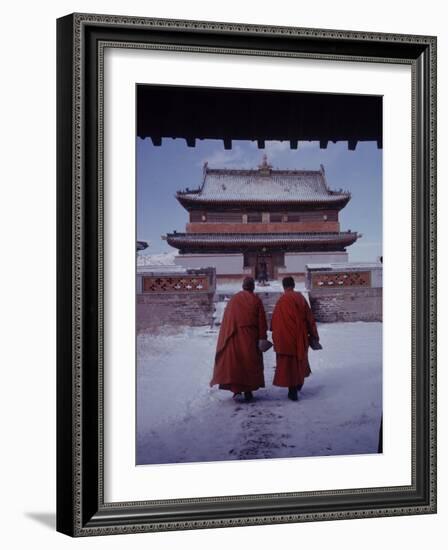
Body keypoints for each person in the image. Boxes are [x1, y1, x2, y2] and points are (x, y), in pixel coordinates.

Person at [210, 277, 268, 401]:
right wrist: (262, 337)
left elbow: (227, 319)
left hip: (234, 335)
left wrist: (226, 334)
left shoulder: (234, 300)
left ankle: (236, 390)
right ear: (252, 287)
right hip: (250, 336)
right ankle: (248, 391)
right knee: (249, 363)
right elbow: (262, 322)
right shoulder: (256, 300)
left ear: (243, 286)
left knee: (236, 363)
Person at [271, 276, 320, 401]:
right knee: (299, 361)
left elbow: (273, 323)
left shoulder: (281, 301)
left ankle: (292, 389)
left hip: (284, 337)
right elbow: (310, 319)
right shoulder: (300, 298)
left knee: (289, 364)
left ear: (284, 286)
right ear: (293, 285)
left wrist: (276, 337)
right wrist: (314, 336)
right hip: (299, 336)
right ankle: (297, 384)